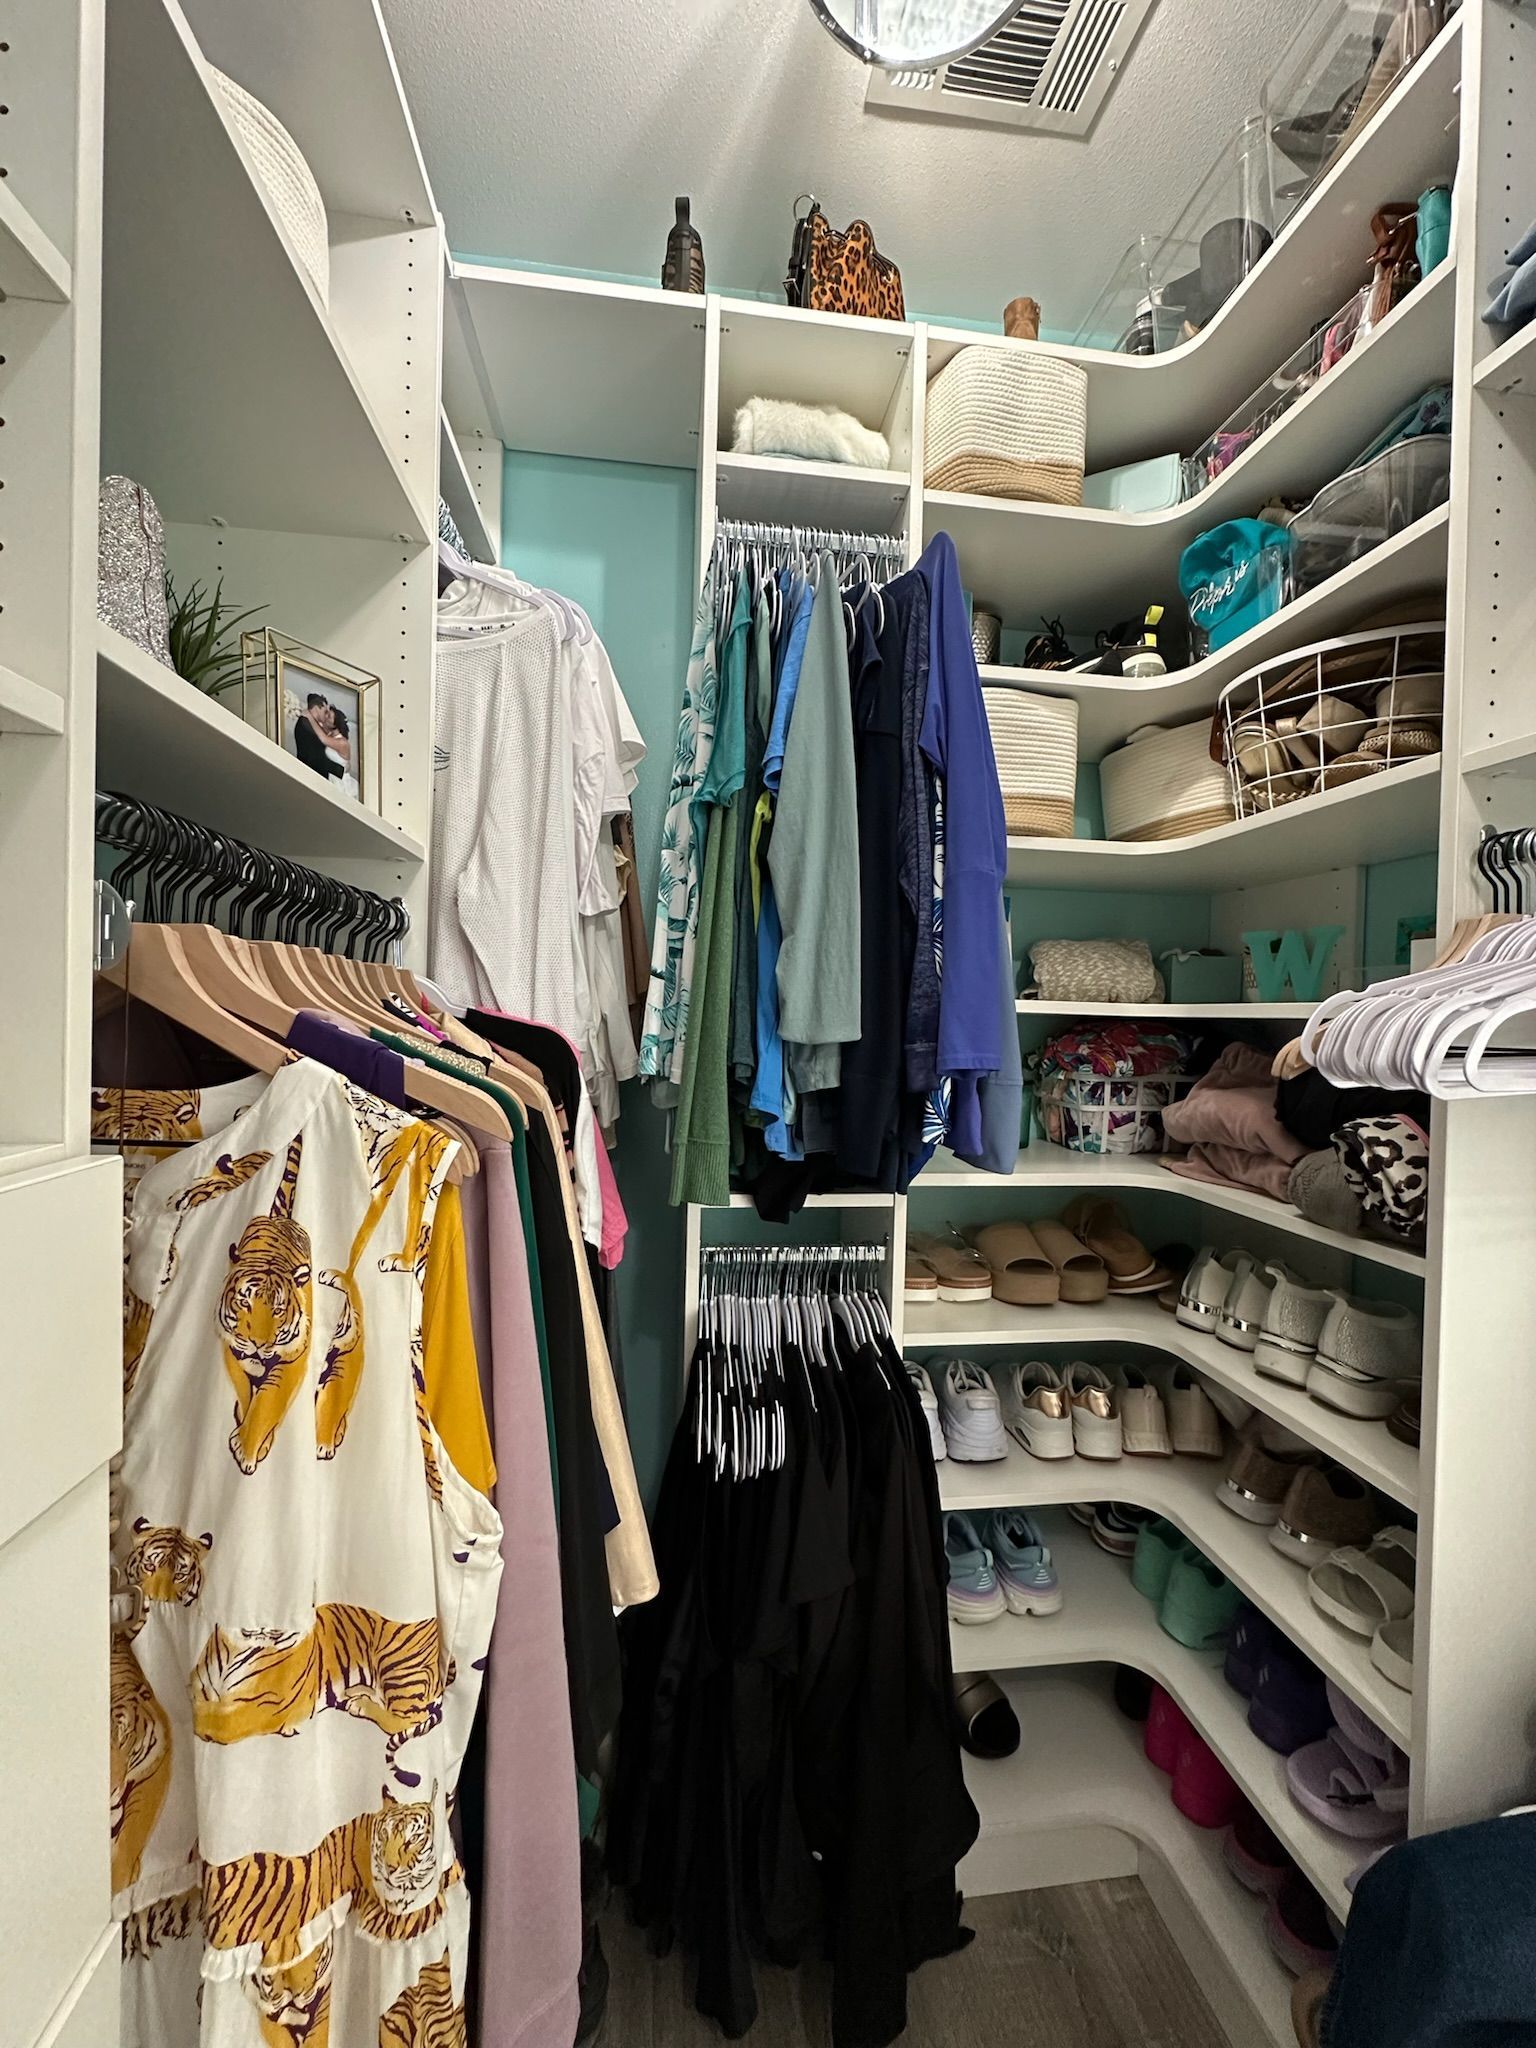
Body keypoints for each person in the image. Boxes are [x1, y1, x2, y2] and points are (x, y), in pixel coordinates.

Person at [292, 692, 343, 782]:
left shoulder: (310, 724)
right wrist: (339, 770)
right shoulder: (305, 726)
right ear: (317, 708)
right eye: (325, 711)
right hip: (312, 777)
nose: (326, 715)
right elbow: (316, 758)